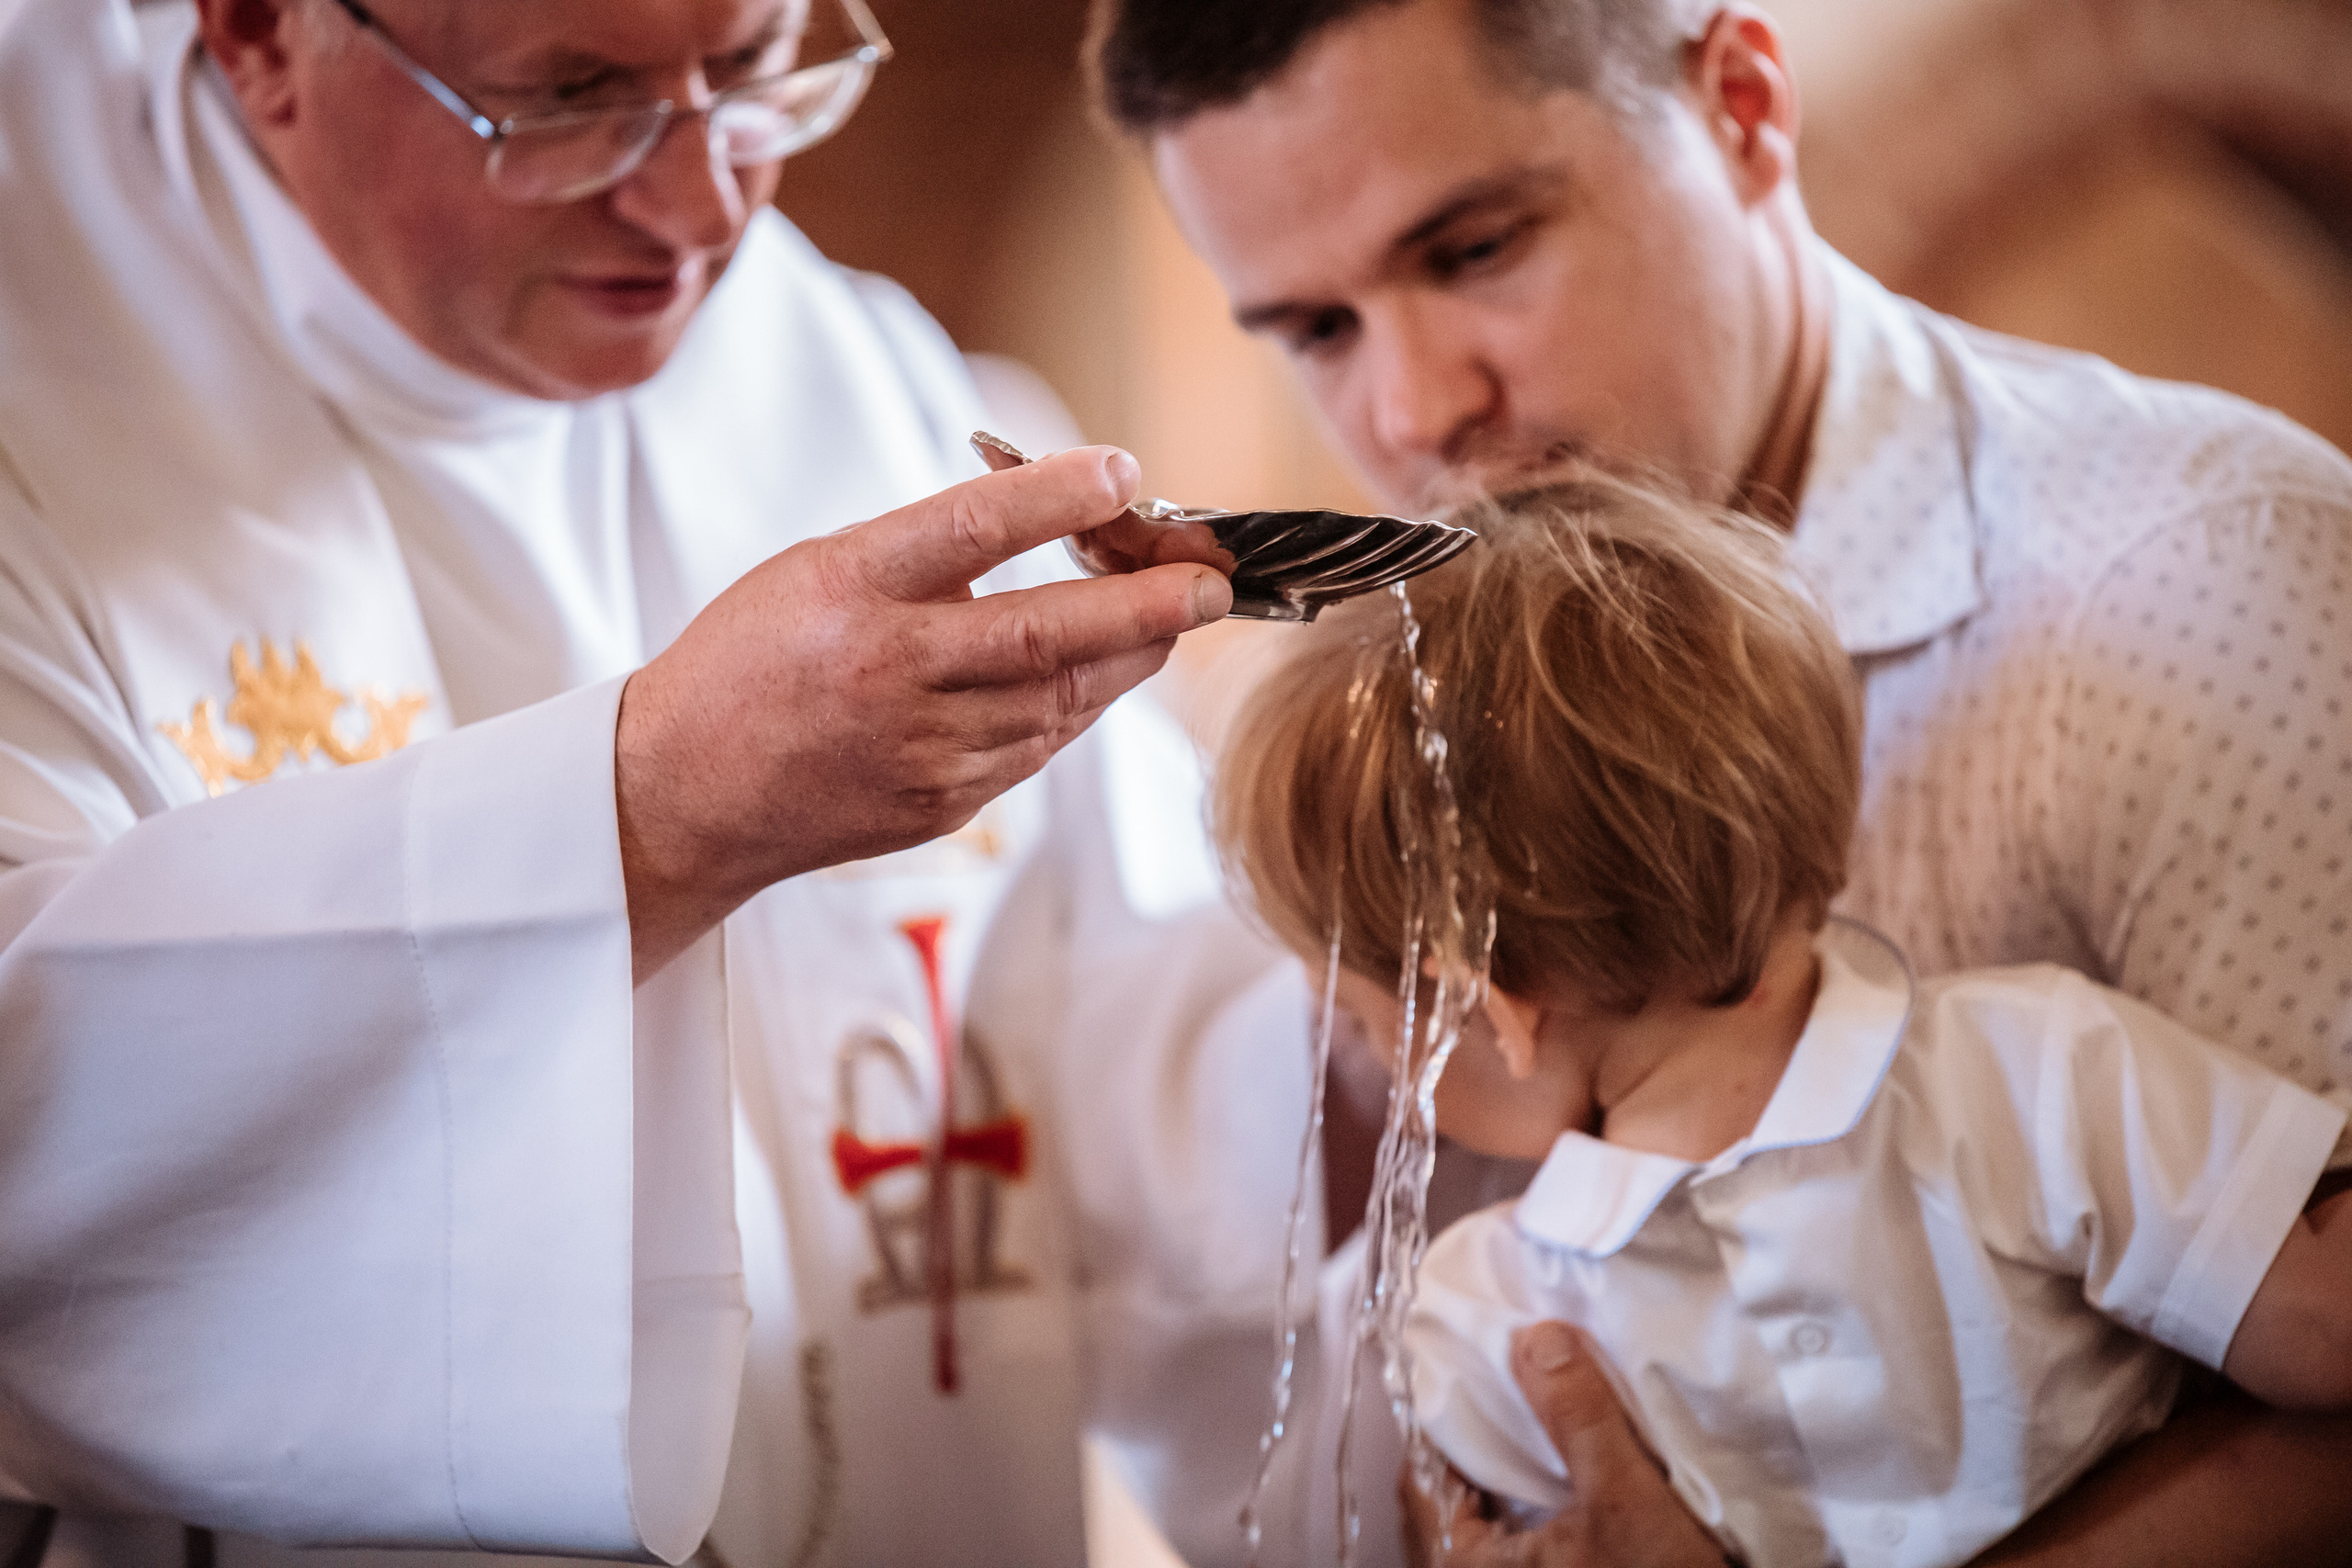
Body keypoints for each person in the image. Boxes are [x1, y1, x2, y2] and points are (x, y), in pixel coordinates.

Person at [0, 0, 1309, 1562]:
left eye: (757, 65)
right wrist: (643, 818)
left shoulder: (828, 353)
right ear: (263, 34)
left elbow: (1097, 1020)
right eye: (568, 100)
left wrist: (1374, 1045)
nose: (703, 209)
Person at [1089, 0, 2352, 1562]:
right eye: (1318, 331)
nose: (1414, 415)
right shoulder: (1426, 704)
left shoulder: (2195, 581)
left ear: (1745, 107)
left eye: (1475, 249)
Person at [1213, 479, 2352, 1568]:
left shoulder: (1495, 1327)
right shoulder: (2043, 1074)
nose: (1364, 1059)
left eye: (1365, 1023)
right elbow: (2327, 1330)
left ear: (1497, 1012)